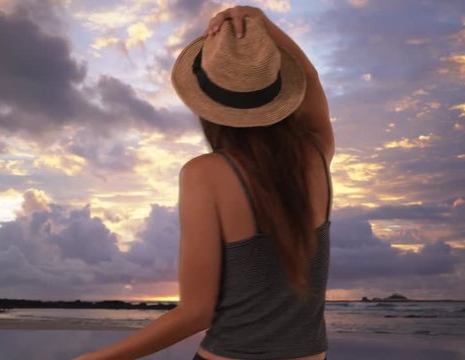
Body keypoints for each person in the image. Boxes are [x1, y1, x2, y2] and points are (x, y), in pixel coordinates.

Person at [72, 5, 333, 360]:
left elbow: (196, 313)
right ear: (279, 91)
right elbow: (312, 78)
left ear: (207, 106)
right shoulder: (316, 154)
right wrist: (255, 18)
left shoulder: (204, 174)